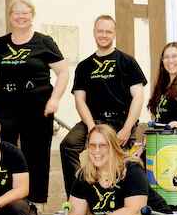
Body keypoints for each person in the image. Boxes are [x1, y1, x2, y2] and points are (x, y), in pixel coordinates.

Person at [0, 0, 69, 212]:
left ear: (32, 16)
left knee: (36, 154)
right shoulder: (0, 44)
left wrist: (55, 99)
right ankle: (3, 198)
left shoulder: (44, 42)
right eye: (16, 13)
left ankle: (34, 202)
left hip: (38, 107)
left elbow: (63, 72)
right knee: (3, 151)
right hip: (5, 106)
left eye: (25, 13)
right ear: (10, 16)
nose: (20, 17)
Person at [60, 15, 146, 197]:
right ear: (94, 33)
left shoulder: (127, 62)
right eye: (100, 31)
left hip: (120, 122)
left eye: (108, 31)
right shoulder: (84, 66)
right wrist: (91, 127)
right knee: (69, 145)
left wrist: (127, 128)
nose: (104, 35)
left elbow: (138, 97)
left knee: (117, 158)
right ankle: (78, 196)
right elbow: (79, 100)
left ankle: (118, 198)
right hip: (93, 121)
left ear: (114, 34)